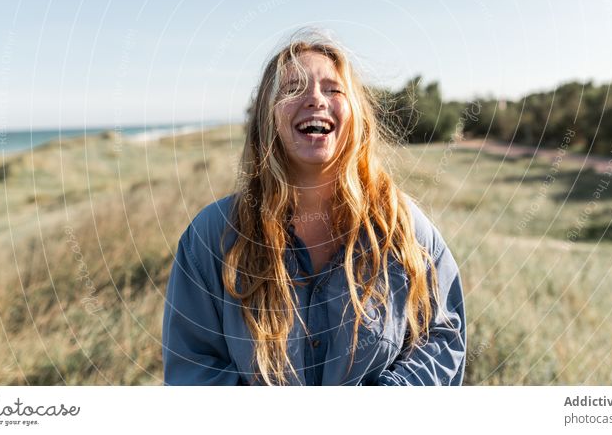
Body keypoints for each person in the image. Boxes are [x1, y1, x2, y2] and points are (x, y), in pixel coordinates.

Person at [162, 28, 466, 385]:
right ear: (268, 116)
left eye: (333, 89)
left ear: (355, 116)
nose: (316, 99)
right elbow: (192, 366)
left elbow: (442, 339)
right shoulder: (211, 237)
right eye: (293, 89)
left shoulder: (405, 230)